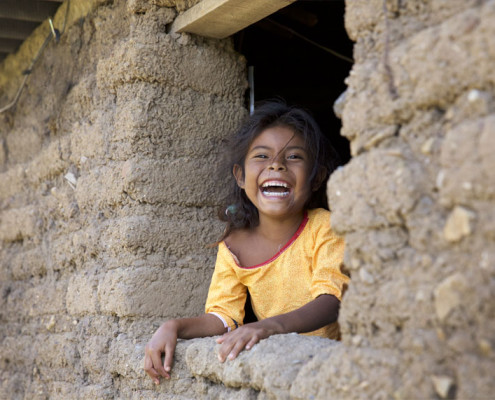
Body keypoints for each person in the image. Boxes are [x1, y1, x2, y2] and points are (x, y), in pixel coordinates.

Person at [144, 101, 349, 385]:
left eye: (293, 157)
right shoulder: (233, 246)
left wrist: (268, 327)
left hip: (333, 369)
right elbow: (223, 317)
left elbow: (331, 301)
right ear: (240, 177)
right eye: (262, 156)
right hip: (277, 373)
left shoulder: (325, 226)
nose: (276, 164)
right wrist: (173, 327)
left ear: (316, 178)